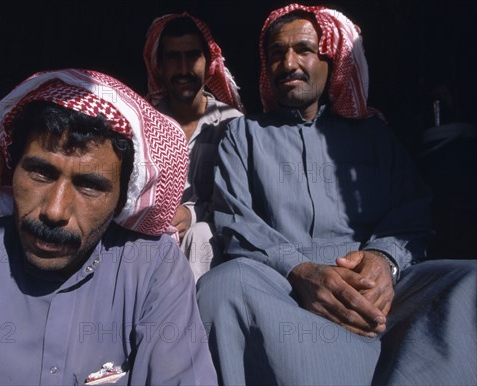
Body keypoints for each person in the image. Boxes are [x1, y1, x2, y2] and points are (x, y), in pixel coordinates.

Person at [0, 69, 218, 385]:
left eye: (89, 186)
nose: (54, 211)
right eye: (41, 173)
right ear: (12, 171)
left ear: (122, 199)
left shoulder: (153, 269)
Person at [197, 4, 477, 386]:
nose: (288, 63)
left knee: (468, 281)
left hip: (375, 293)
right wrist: (302, 272)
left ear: (331, 62)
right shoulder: (244, 135)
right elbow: (236, 221)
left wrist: (384, 259)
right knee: (223, 286)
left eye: (304, 50)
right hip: (284, 291)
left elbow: (412, 211)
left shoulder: (374, 135)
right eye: (277, 53)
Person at [143, 13, 244, 281]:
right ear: (160, 65)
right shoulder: (143, 122)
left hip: (209, 236)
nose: (184, 68)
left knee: (200, 236)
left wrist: (191, 213)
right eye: (173, 57)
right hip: (151, 231)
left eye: (192, 56)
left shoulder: (231, 123)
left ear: (208, 63)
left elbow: (240, 203)